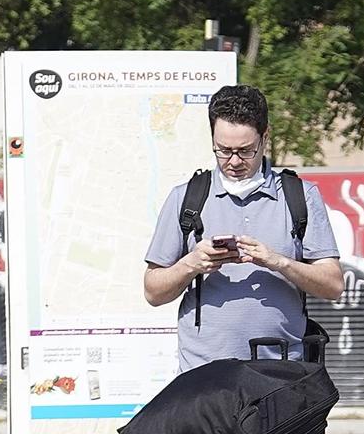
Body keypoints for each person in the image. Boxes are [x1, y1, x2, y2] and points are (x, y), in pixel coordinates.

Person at [144, 84, 345, 371]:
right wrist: (192, 263)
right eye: (223, 150)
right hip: (203, 374)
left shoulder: (300, 196)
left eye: (245, 151)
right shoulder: (185, 197)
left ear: (265, 138)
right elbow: (153, 291)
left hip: (281, 371)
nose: (234, 162)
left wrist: (277, 262)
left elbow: (333, 285)